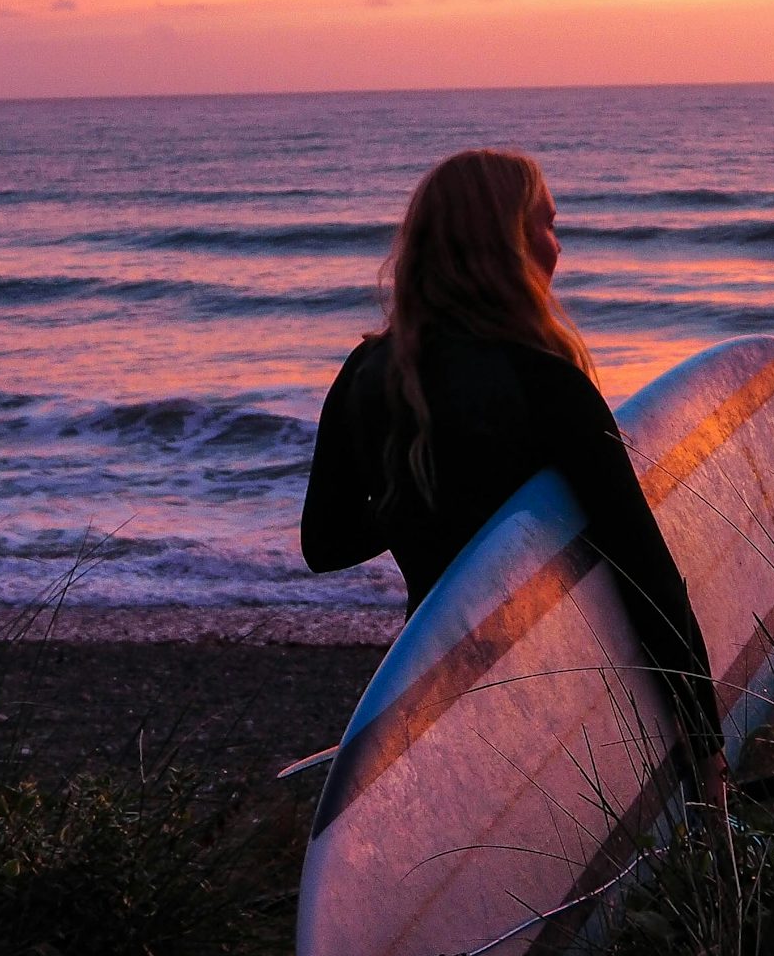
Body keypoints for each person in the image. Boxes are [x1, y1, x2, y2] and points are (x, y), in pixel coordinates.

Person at [300, 148, 723, 792]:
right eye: (548, 225)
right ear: (507, 244)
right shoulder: (546, 383)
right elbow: (644, 573)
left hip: (431, 687)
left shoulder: (366, 374)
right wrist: (704, 739)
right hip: (553, 688)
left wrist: (418, 500)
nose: (558, 247)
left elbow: (324, 544)